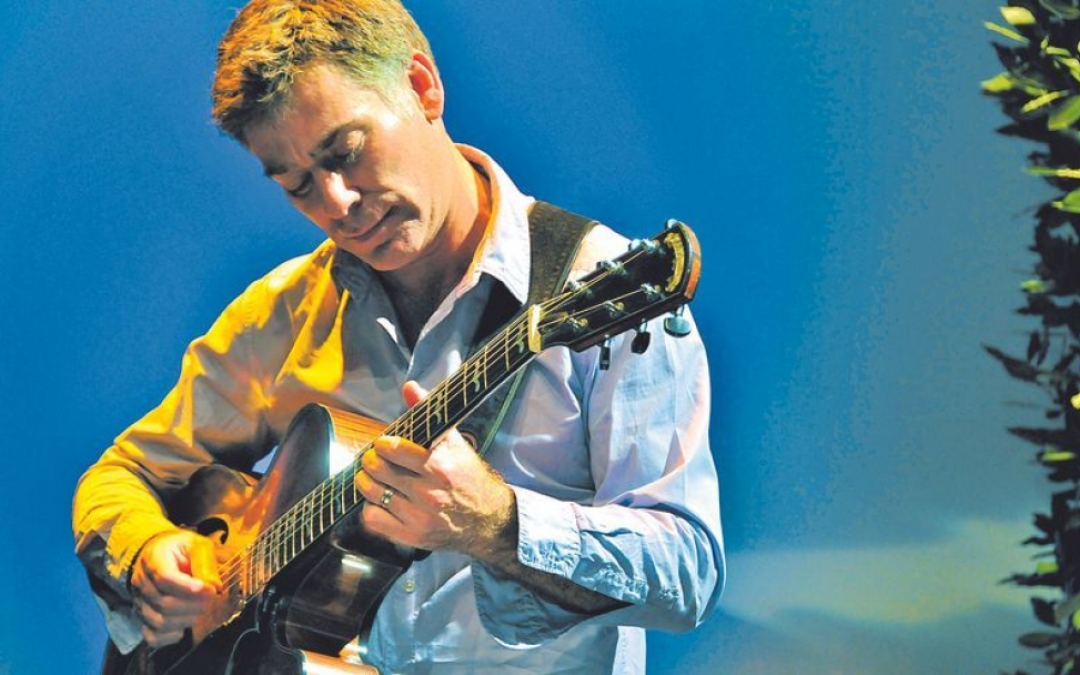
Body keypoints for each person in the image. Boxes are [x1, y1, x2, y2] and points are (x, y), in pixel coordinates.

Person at [72, 1, 724, 672]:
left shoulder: (600, 284)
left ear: (421, 86)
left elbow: (687, 569)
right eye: (298, 186)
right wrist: (147, 550)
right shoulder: (283, 313)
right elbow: (121, 475)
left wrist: (497, 525)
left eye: (346, 153)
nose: (336, 204)